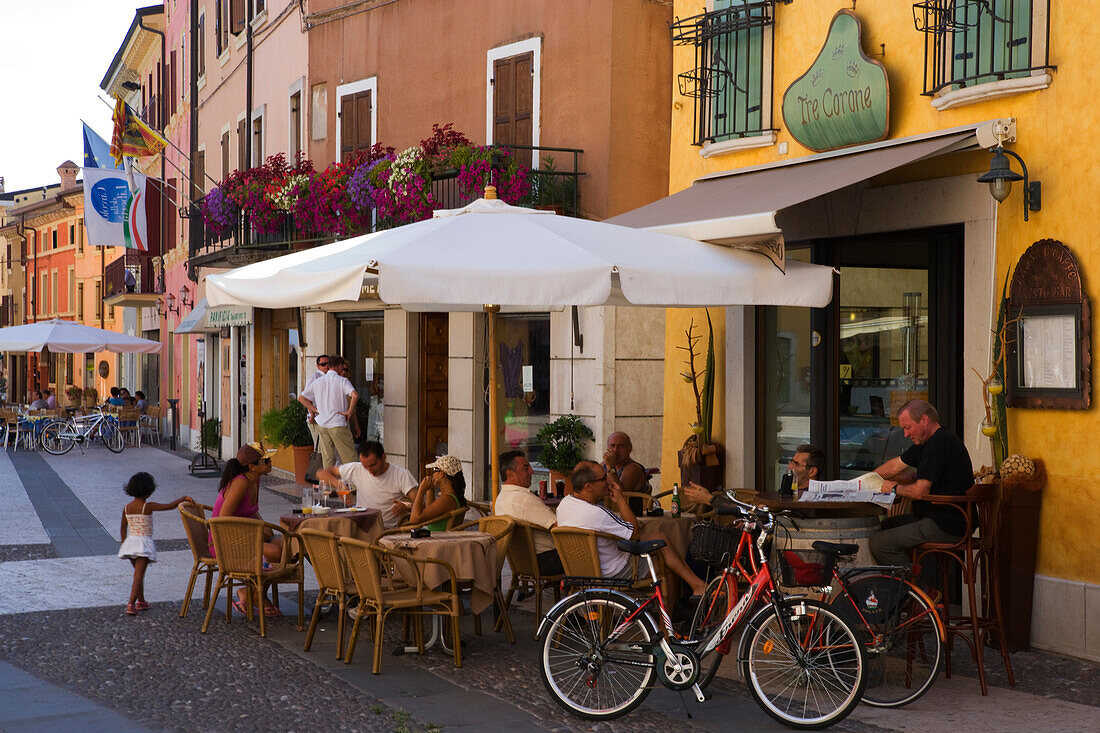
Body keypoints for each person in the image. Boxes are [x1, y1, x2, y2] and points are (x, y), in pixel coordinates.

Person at [557, 460, 706, 598]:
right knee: (664, 567)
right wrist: (621, 499)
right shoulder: (597, 513)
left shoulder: (564, 505)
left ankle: (696, 585)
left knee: (660, 539)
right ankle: (667, 623)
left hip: (582, 572)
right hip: (613, 572)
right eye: (603, 479)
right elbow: (634, 534)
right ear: (588, 486)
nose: (608, 481)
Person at [869, 399, 974, 567]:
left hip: (947, 524)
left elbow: (920, 492)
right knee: (884, 526)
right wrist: (866, 480)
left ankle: (913, 588)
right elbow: (895, 465)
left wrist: (893, 488)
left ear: (924, 420)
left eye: (908, 427)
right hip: (937, 517)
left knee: (879, 542)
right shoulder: (928, 442)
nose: (905, 434)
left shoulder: (938, 444)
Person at [211, 443, 284, 616]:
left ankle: (250, 593)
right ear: (252, 466)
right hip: (226, 543)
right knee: (277, 553)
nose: (270, 463)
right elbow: (223, 521)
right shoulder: (240, 483)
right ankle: (255, 595)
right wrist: (256, 532)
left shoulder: (255, 479)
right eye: (265, 461)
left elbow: (252, 510)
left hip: (245, 537)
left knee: (292, 548)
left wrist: (265, 528)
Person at [117, 471, 192, 615]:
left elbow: (122, 527)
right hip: (143, 544)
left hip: (130, 543)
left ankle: (141, 601)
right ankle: (131, 604)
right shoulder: (148, 506)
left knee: (138, 574)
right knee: (139, 575)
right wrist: (182, 498)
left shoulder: (127, 507)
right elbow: (169, 506)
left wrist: (123, 543)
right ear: (149, 491)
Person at [314, 441, 416, 528]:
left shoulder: (401, 475)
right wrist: (337, 484)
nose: (369, 470)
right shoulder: (357, 468)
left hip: (384, 529)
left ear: (384, 458)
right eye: (365, 466)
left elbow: (420, 503)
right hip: (359, 524)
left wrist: (406, 507)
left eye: (373, 465)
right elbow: (320, 473)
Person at [494, 449, 564, 575]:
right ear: (510, 474)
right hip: (545, 560)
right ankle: (593, 592)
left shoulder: (500, 498)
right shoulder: (524, 500)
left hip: (522, 561)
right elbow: (559, 528)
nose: (531, 471)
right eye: (526, 469)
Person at [298, 355, 357, 468]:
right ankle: (353, 485)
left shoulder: (318, 381)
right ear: (339, 366)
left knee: (328, 458)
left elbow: (301, 398)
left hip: (323, 424)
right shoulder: (342, 380)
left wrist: (316, 410)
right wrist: (349, 412)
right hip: (337, 423)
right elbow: (354, 395)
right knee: (350, 458)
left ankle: (329, 485)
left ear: (329, 366)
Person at [409, 454, 467, 531]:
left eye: (434, 470)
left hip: (435, 540)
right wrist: (430, 489)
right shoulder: (451, 497)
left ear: (442, 474)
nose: (432, 474)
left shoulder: (447, 500)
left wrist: (421, 491)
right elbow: (429, 516)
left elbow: (414, 519)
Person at [602, 431, 650, 514]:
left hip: (629, 516)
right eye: (612, 446)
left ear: (630, 448)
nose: (615, 450)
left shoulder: (633, 468)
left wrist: (610, 468)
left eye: (620, 446)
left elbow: (620, 494)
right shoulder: (605, 464)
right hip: (609, 512)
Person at [302, 355, 329, 442]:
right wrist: (312, 414)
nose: (326, 366)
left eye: (328, 363)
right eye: (323, 364)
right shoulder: (315, 377)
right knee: (319, 446)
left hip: (325, 418)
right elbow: (307, 398)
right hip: (316, 418)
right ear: (318, 366)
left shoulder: (329, 377)